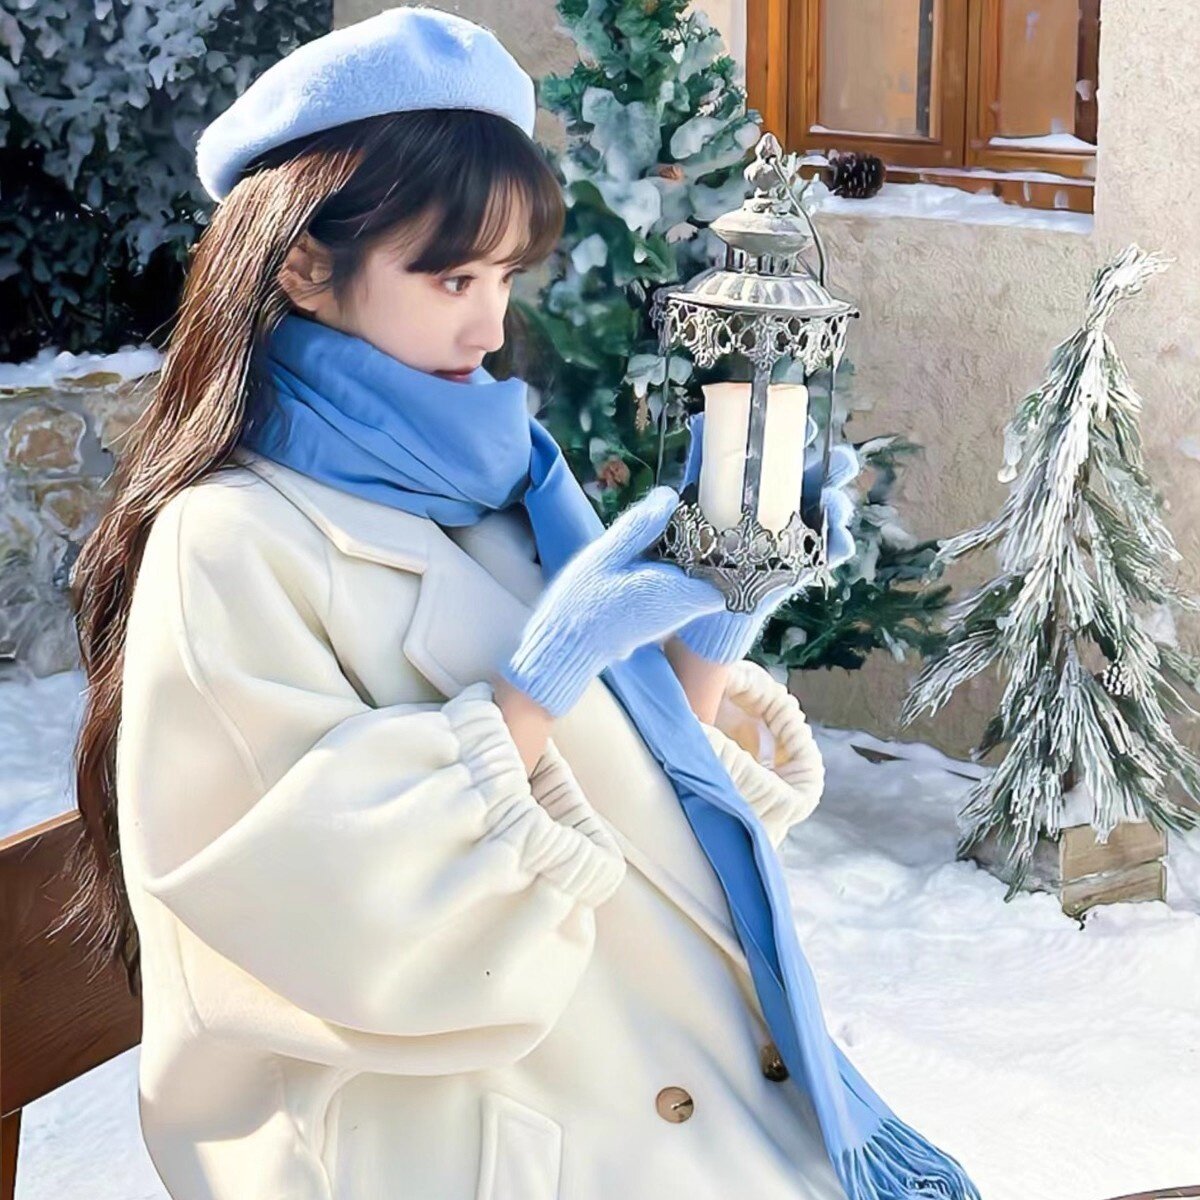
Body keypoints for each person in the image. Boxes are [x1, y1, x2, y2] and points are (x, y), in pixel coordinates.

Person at [67, 8, 980, 1200]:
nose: (492, 324)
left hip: (639, 1079)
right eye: (451, 276)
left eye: (504, 276)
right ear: (304, 266)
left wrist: (713, 629)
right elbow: (307, 908)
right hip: (453, 1141)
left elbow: (617, 817)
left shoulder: (498, 477)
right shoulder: (228, 539)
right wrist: (534, 686)